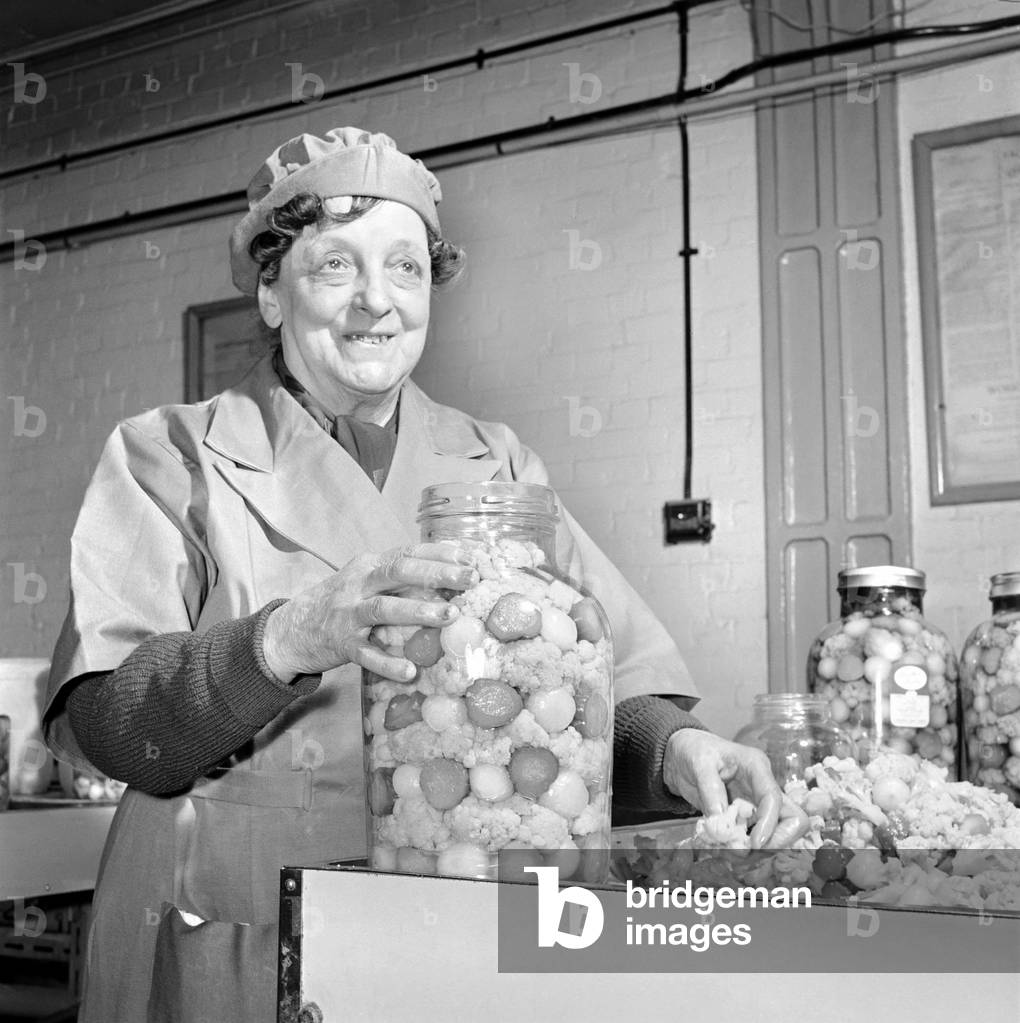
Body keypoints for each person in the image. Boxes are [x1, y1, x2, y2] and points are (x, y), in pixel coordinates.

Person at [44, 127, 805, 1022]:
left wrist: (676, 749)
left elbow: (590, 683)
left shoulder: (498, 467)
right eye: (335, 265)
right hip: (232, 927)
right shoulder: (169, 456)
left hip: (455, 925)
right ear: (272, 293)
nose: (377, 299)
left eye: (405, 267)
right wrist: (288, 637)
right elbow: (108, 722)